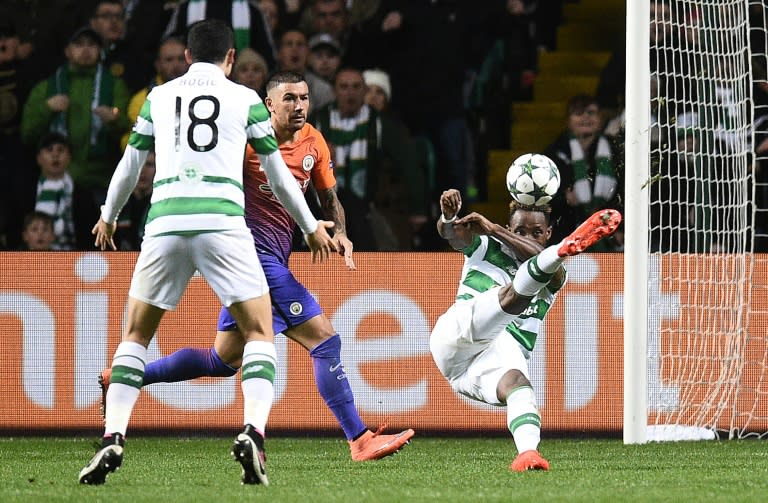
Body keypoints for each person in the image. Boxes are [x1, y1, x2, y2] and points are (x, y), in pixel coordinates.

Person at [98, 70, 415, 461]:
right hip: (250, 258)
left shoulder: (314, 140)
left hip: (268, 259)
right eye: (289, 99)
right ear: (269, 104)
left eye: (303, 98)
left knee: (223, 359)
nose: (298, 106)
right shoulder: (244, 142)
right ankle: (359, 438)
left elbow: (329, 197)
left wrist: (343, 232)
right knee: (324, 341)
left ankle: (125, 376)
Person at [77, 19, 337, 487]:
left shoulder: (158, 96)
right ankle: (253, 432)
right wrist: (310, 225)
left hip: (166, 221)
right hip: (223, 221)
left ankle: (113, 435)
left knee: (134, 337)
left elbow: (131, 163)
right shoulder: (244, 99)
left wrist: (109, 215)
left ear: (186, 58)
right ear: (231, 58)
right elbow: (278, 175)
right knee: (259, 332)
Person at [429, 188, 621, 472]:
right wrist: (449, 217)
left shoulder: (557, 274)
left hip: (492, 358)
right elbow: (450, 234)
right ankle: (565, 246)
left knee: (519, 384)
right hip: (458, 336)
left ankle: (528, 455)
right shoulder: (485, 247)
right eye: (520, 229)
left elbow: (540, 261)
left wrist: (494, 228)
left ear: (548, 233)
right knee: (511, 297)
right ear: (510, 228)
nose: (528, 236)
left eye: (536, 232)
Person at [20, 25, 131, 208]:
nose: (86, 50)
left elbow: (130, 129)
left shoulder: (115, 86)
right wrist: (47, 109)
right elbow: (27, 134)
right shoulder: (46, 88)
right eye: (79, 44)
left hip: (103, 181)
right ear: (67, 50)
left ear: (100, 50)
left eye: (92, 45)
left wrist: (115, 121)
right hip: (59, 181)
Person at [544, 95, 622, 250]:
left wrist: (621, 227)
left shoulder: (615, 150)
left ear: (600, 119)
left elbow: (623, 190)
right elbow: (544, 197)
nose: (586, 117)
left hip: (609, 231)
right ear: (568, 120)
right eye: (579, 113)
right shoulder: (553, 153)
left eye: (591, 112)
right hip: (566, 231)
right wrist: (563, 198)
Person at [8, 132, 98, 250]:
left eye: (60, 150)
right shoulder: (24, 192)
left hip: (75, 258)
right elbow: (13, 230)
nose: (55, 155)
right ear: (39, 158)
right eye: (49, 150)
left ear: (69, 157)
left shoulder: (82, 194)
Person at [121, 36, 188, 150]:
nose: (176, 65)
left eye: (181, 59)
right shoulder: (141, 100)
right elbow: (134, 143)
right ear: (158, 65)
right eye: (169, 60)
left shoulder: (205, 94)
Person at [114, 151, 156, 251]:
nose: (143, 171)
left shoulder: (163, 206)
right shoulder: (116, 204)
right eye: (138, 165)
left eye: (149, 165)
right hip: (120, 264)